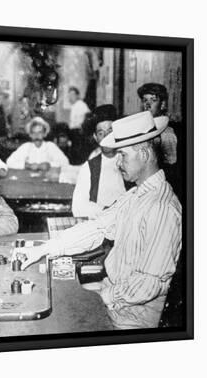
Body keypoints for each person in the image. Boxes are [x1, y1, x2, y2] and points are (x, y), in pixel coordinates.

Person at [21, 111, 182, 329]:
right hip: (115, 298)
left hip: (130, 317)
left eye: (123, 155)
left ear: (144, 154)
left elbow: (149, 283)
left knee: (50, 326)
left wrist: (104, 294)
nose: (118, 162)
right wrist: (44, 249)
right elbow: (97, 228)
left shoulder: (162, 208)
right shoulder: (135, 195)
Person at [72, 105, 126, 219]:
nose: (106, 137)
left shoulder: (128, 160)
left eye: (110, 131)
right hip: (100, 223)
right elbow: (77, 207)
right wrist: (105, 210)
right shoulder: (90, 167)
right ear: (96, 137)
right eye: (101, 133)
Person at [68, 86, 91, 163]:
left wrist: (82, 128)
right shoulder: (74, 106)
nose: (71, 97)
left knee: (78, 154)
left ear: (77, 95)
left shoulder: (81, 105)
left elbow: (87, 116)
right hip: (73, 132)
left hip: (79, 132)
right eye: (69, 95)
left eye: (73, 95)